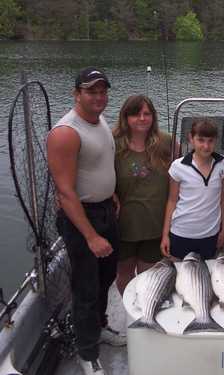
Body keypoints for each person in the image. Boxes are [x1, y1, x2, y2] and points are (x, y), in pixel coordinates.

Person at [47, 67, 126, 375]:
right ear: (76, 93)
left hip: (106, 209)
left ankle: (101, 326)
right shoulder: (66, 132)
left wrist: (110, 193)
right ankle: (87, 352)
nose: (99, 97)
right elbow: (65, 192)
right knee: (86, 289)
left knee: (106, 279)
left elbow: (98, 163)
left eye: (103, 90)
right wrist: (91, 236)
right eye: (91, 91)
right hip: (82, 219)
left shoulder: (100, 119)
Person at [113, 95, 176, 295]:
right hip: (124, 227)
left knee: (148, 277)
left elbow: (182, 176)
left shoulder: (168, 142)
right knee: (124, 276)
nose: (142, 118)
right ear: (125, 117)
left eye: (147, 114)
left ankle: (144, 311)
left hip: (155, 227)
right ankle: (129, 308)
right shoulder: (112, 144)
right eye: (136, 114)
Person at [160, 119, 224, 260]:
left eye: (210, 141)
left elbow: (222, 198)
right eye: (201, 140)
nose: (206, 146)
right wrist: (165, 235)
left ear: (216, 141)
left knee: (204, 278)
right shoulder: (177, 166)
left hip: (210, 235)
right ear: (191, 139)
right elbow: (172, 201)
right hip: (180, 233)